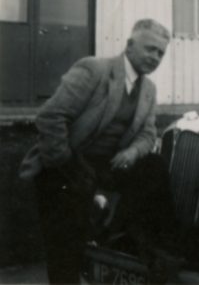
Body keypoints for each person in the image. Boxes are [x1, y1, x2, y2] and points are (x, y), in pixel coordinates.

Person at [19, 18, 178, 284]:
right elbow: (51, 117)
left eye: (161, 53)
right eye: (150, 49)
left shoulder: (148, 89)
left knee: (154, 167)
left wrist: (132, 153)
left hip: (107, 165)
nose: (155, 57)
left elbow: (148, 133)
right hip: (65, 163)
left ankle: (149, 248)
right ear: (129, 45)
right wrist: (68, 165)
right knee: (66, 242)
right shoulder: (94, 70)